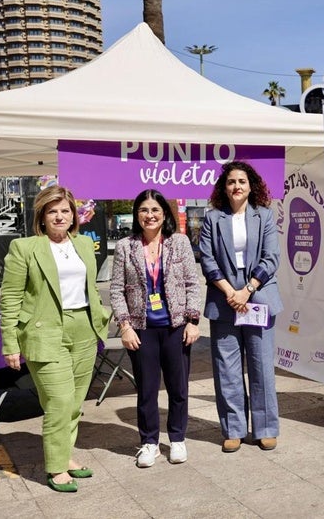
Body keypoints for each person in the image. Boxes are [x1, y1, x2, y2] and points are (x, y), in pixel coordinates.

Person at [0, 185, 110, 493]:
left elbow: (90, 288)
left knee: (74, 403)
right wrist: (10, 343)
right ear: (42, 216)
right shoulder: (25, 248)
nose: (60, 216)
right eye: (52, 211)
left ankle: (66, 455)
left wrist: (101, 318)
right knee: (59, 402)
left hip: (84, 328)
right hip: (44, 331)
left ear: (74, 214)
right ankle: (56, 467)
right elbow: (10, 298)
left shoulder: (85, 245)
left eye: (65, 210)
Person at [110, 189, 201, 468]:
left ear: (164, 214)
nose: (149, 216)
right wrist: (125, 326)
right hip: (142, 329)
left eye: (155, 210)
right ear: (137, 215)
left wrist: (193, 321)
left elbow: (192, 284)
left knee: (178, 387)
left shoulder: (179, 242)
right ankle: (149, 442)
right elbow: (116, 290)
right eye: (144, 211)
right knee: (147, 390)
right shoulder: (126, 246)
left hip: (175, 327)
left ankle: (177, 438)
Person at [199, 161, 283, 453]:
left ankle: (265, 429)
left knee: (261, 366)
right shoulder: (212, 218)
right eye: (231, 181)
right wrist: (229, 291)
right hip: (224, 300)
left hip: (257, 296)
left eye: (242, 181)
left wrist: (247, 290)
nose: (236, 186)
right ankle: (233, 429)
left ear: (251, 186)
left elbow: (271, 257)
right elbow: (207, 258)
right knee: (227, 368)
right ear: (224, 187)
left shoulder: (265, 216)